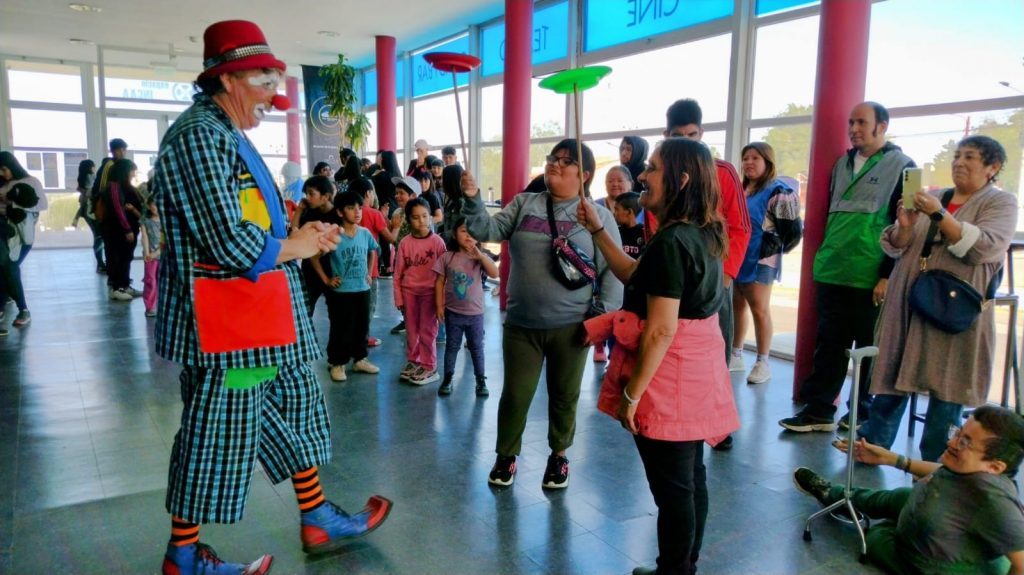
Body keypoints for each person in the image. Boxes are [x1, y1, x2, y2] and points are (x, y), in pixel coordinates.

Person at [148, 20, 391, 574]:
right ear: (230, 77)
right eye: (264, 86)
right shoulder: (199, 137)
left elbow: (256, 224)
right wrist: (297, 244)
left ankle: (316, 514)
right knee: (218, 432)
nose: (271, 102)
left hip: (258, 318)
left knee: (293, 407)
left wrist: (302, 241)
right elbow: (228, 237)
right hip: (227, 327)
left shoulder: (227, 135)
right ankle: (183, 556)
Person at [578, 137, 740, 575]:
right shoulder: (703, 232)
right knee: (690, 479)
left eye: (652, 168)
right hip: (696, 372)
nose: (642, 176)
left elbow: (663, 328)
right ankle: (682, 563)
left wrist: (632, 394)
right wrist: (597, 229)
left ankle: (675, 570)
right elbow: (634, 273)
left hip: (670, 379)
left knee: (673, 490)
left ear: (681, 179)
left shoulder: (673, 241)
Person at [462, 138, 623, 489]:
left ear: (585, 174)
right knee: (516, 395)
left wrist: (600, 320)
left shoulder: (597, 216)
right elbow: (486, 230)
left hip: (573, 327)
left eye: (566, 161)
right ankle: (506, 456)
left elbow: (613, 271)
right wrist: (473, 198)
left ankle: (559, 456)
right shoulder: (525, 203)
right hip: (522, 324)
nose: (555, 164)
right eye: (553, 158)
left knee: (564, 395)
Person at [858, 135, 1017, 461]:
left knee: (947, 394)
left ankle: (933, 472)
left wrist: (940, 214)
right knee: (892, 380)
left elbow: (984, 248)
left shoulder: (1000, 203)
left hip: (953, 310)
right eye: (957, 155)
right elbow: (899, 244)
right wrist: (905, 226)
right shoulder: (933, 196)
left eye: (970, 157)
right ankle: (871, 451)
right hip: (909, 306)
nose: (959, 162)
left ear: (992, 167)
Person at [780, 101, 916, 433]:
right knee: (829, 346)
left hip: (870, 275)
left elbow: (909, 228)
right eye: (851, 122)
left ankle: (862, 415)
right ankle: (819, 411)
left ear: (882, 126)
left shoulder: (905, 167)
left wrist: (887, 274)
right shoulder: (841, 164)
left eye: (861, 122)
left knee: (869, 351)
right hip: (833, 271)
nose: (854, 128)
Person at [795, 405, 1024, 575]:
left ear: (994, 467)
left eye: (965, 443)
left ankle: (884, 524)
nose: (952, 443)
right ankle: (830, 493)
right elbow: (941, 470)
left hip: (926, 560)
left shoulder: (996, 503)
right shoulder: (968, 468)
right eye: (958, 433)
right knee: (898, 497)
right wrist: (895, 460)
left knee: (876, 538)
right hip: (932, 521)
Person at [664, 98, 751, 452]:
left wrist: (727, 276)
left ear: (702, 133)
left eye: (692, 134)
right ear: (666, 135)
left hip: (716, 281)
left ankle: (718, 424)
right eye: (677, 135)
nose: (686, 141)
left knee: (717, 353)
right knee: (673, 349)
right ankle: (677, 417)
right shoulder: (662, 174)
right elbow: (657, 228)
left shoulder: (723, 172)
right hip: (673, 282)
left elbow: (741, 228)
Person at [730, 142, 802, 385]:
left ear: (767, 162)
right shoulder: (741, 190)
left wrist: (773, 250)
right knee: (736, 304)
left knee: (759, 307)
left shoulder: (778, 191)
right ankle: (736, 354)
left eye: (755, 158)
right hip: (738, 254)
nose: (749, 162)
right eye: (746, 157)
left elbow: (792, 232)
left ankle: (763, 361)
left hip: (762, 258)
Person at [311, 190, 381, 382]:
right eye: (351, 208)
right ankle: (337, 362)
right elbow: (314, 256)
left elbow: (372, 251)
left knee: (361, 326)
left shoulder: (365, 233)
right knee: (341, 327)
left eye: (359, 208)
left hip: (362, 289)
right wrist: (326, 279)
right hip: (341, 292)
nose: (357, 212)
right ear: (340, 212)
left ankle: (360, 359)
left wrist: (368, 272)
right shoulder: (334, 234)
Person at [433, 216, 498, 397]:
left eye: (472, 232)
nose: (468, 235)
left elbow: (495, 272)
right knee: (451, 347)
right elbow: (439, 282)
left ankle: (480, 380)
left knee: (477, 347)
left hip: (475, 314)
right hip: (453, 313)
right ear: (454, 234)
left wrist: (481, 256)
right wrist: (439, 305)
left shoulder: (480, 258)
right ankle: (448, 378)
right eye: (463, 231)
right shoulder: (448, 257)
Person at [394, 197, 447, 386]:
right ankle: (414, 360)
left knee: (427, 330)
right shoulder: (405, 243)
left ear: (431, 217)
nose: (421, 221)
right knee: (411, 330)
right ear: (408, 220)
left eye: (425, 216)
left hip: (430, 294)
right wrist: (398, 297)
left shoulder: (438, 242)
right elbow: (398, 273)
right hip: (410, 293)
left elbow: (444, 274)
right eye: (415, 217)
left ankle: (429, 365)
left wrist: (442, 299)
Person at [0, 151, 45, 327]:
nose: (2, 173)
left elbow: (41, 204)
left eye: (4, 169)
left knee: (10, 267)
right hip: (4, 232)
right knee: (5, 268)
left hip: (21, 235)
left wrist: (12, 201)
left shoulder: (31, 181)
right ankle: (5, 305)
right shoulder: (4, 184)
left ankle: (23, 309)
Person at [348, 176, 394, 348]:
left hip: (350, 269)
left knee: (352, 305)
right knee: (368, 305)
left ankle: (352, 334)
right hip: (370, 269)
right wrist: (395, 225)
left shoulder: (348, 213)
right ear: (368, 193)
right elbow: (390, 239)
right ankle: (363, 337)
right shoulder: (374, 214)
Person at [290, 175, 336, 316]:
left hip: (332, 270)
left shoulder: (338, 215)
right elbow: (294, 234)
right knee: (305, 312)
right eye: (306, 194)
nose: (307, 198)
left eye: (311, 194)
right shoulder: (310, 213)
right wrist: (299, 210)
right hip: (310, 271)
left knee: (335, 314)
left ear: (326, 196)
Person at [98, 158, 143, 302]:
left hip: (128, 229)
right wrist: (127, 229)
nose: (133, 174)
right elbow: (118, 209)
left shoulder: (124, 186)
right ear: (124, 171)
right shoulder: (114, 187)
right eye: (131, 171)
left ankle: (124, 284)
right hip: (118, 230)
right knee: (119, 258)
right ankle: (117, 288)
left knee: (126, 257)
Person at [73, 159, 106, 273]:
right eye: (93, 166)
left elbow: (82, 192)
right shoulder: (90, 177)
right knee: (99, 237)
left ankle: (100, 263)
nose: (94, 168)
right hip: (92, 211)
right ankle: (100, 264)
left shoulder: (82, 178)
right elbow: (92, 192)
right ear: (90, 167)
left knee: (98, 236)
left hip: (87, 211)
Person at [140, 195, 163, 318]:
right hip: (150, 257)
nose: (156, 207)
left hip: (163, 255)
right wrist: (147, 252)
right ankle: (150, 307)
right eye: (153, 204)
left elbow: (166, 241)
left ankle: (161, 305)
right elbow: (144, 236)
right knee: (150, 281)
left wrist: (157, 252)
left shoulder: (165, 221)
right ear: (149, 206)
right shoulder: (145, 220)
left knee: (162, 281)